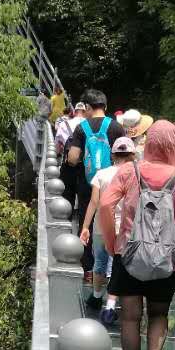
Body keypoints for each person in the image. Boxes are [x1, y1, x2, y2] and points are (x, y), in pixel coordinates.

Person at [99, 120, 175, 350]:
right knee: (158, 313)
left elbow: (106, 204)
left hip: (127, 253)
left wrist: (111, 242)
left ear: (149, 142)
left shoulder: (130, 171)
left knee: (130, 316)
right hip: (165, 257)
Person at [67, 90, 123, 280]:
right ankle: (111, 268)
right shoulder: (116, 127)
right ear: (105, 107)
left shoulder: (81, 128)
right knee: (114, 221)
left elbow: (73, 158)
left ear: (88, 107)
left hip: (87, 184)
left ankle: (89, 270)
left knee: (87, 223)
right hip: (113, 185)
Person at [80, 135, 137, 312]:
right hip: (125, 229)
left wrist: (85, 227)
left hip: (101, 227)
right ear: (132, 156)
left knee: (100, 264)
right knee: (117, 266)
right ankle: (111, 304)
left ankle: (97, 297)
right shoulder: (135, 176)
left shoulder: (101, 174)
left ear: (112, 156)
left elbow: (94, 202)